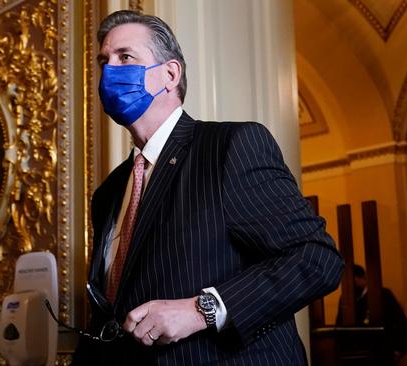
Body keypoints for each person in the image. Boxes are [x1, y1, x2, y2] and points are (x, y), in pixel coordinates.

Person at [72, 10, 344, 365]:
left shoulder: (230, 147)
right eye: (103, 61)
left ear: (170, 75)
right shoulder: (108, 192)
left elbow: (316, 259)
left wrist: (202, 310)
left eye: (125, 57)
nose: (110, 71)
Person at [337, 265, 407, 365]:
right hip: (355, 355)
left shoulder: (383, 294)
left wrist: (399, 349)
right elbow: (339, 325)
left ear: (363, 278)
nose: (348, 284)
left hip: (382, 352)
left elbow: (400, 321)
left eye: (353, 280)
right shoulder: (345, 299)